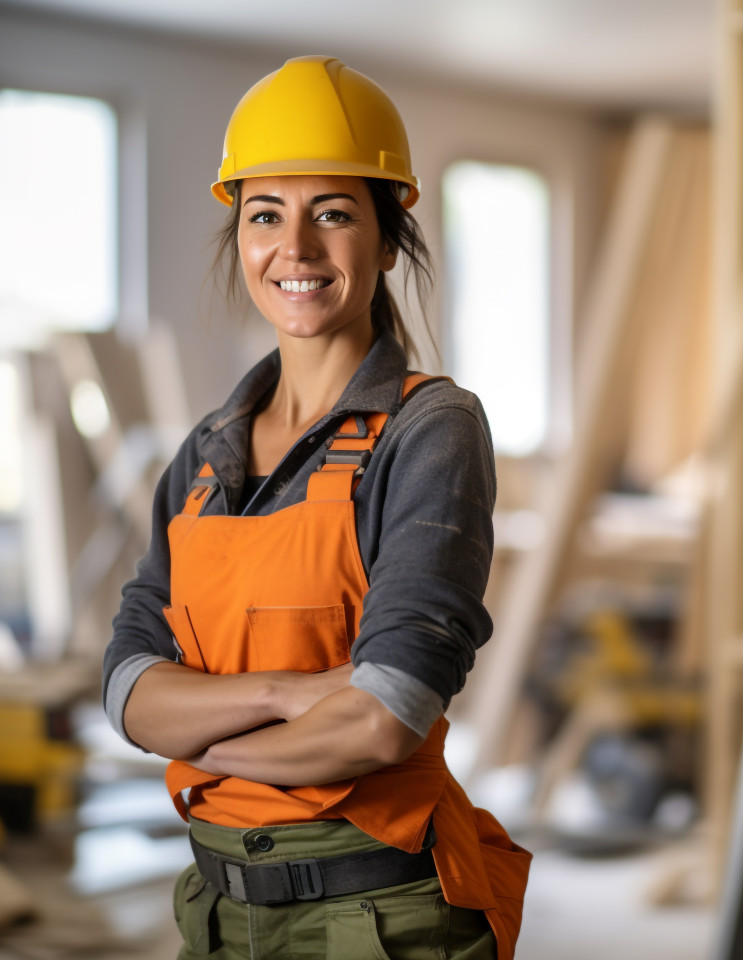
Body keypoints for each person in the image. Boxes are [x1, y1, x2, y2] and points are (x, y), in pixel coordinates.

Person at [103, 55, 531, 960]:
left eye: (332, 213)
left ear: (387, 236)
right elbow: (126, 684)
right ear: (241, 237)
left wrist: (198, 741)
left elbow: (381, 718)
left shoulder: (431, 431)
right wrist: (289, 695)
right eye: (266, 215)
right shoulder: (208, 454)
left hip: (378, 920)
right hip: (215, 914)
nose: (293, 249)